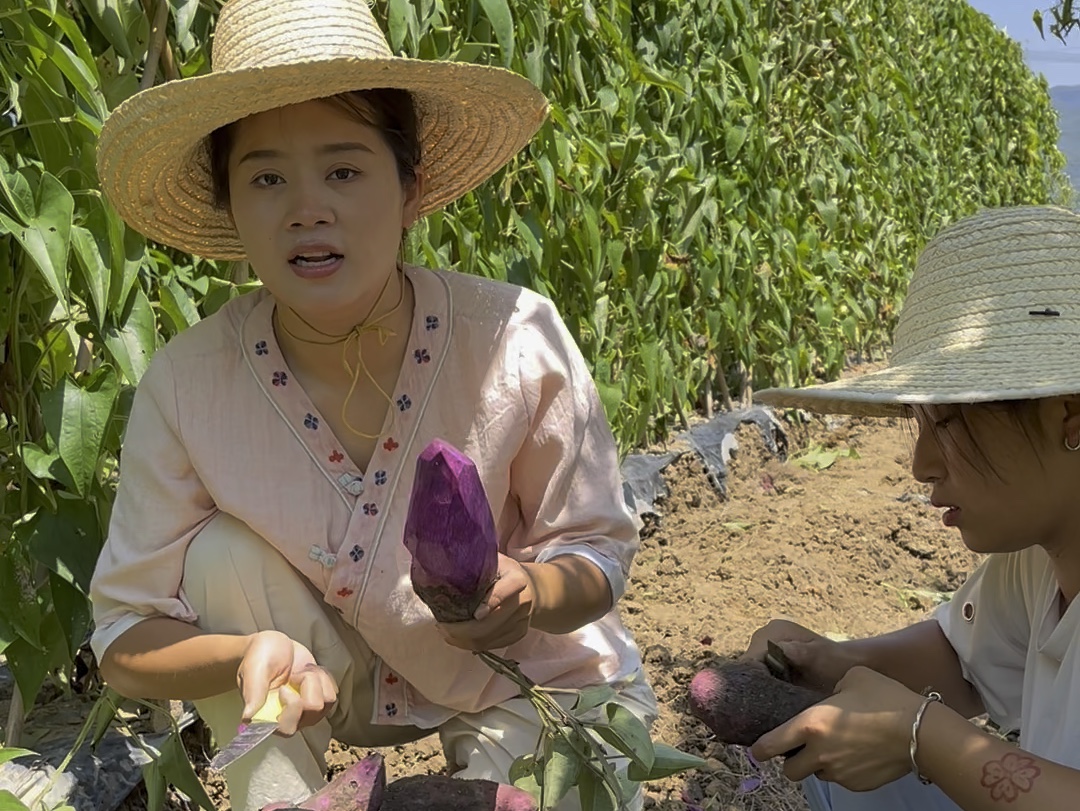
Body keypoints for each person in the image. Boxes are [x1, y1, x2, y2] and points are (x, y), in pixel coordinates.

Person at [88, 1, 656, 809]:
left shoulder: (515, 341)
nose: (306, 208)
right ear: (229, 205)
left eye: (345, 170)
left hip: (532, 678)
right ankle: (279, 797)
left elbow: (598, 552)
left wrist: (531, 589)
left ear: (411, 187)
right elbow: (122, 636)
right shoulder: (189, 383)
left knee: (544, 790)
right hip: (332, 679)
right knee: (216, 554)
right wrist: (246, 653)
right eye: (266, 177)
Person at [743, 204, 1080, 811]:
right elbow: (965, 659)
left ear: (1071, 418)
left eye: (949, 421)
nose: (921, 464)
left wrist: (921, 736)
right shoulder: (1037, 558)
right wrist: (831, 662)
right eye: (917, 423)